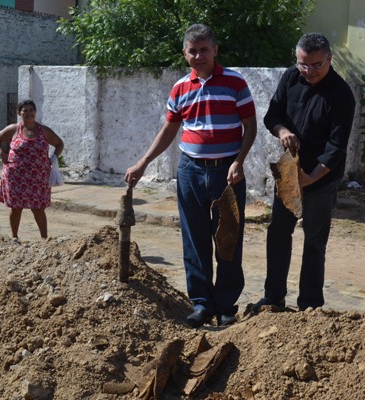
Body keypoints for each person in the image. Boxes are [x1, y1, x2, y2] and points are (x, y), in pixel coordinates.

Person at [124, 23, 257, 328]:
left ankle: (225, 306)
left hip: (228, 173)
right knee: (194, 240)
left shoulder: (235, 82)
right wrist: (143, 162)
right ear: (184, 53)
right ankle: (201, 304)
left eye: (204, 50)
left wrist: (239, 162)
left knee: (228, 239)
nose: (199, 56)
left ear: (215, 50)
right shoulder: (180, 88)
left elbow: (250, 127)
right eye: (192, 51)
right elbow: (169, 129)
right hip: (190, 171)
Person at [254, 32, 355, 312]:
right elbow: (272, 115)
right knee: (278, 234)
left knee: (314, 241)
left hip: (322, 177)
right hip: (290, 172)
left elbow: (336, 147)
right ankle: (273, 297)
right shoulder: (290, 77)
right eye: (303, 64)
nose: (308, 71)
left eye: (316, 65)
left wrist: (310, 178)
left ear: (329, 59)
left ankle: (310, 305)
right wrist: (282, 131)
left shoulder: (342, 94)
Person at [0, 99, 64, 240]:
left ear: (35, 112)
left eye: (31, 110)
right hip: (15, 176)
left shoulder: (44, 131)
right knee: (16, 208)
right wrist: (1, 154)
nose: (29, 113)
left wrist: (53, 158)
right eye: (25, 110)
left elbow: (59, 144)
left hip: (38, 177)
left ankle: (45, 239)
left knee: (38, 208)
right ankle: (14, 237)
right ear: (19, 113)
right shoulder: (14, 129)